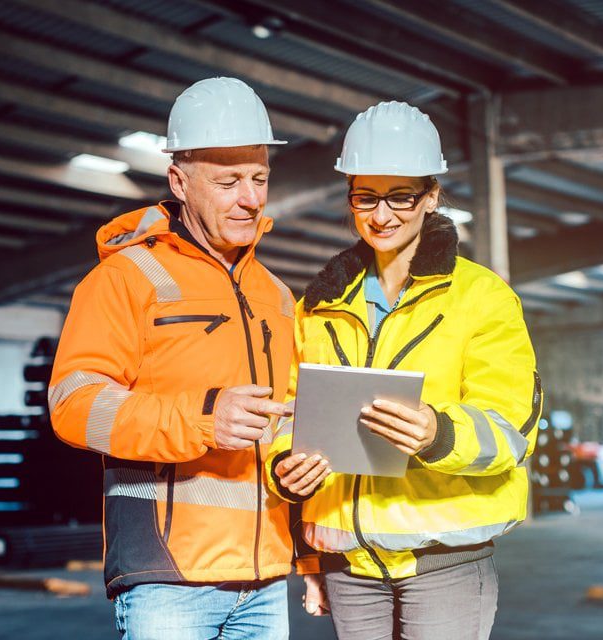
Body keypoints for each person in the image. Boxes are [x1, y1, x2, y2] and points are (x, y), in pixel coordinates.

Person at [266, 101, 542, 640]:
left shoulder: (481, 298)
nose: (382, 215)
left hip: (445, 561)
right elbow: (288, 414)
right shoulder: (318, 307)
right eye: (365, 197)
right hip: (348, 563)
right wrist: (285, 468)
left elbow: (512, 428)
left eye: (401, 196)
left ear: (431, 197)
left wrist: (440, 432)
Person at [48, 77, 301, 640]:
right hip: (167, 577)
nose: (251, 199)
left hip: (264, 579)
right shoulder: (124, 277)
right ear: (179, 181)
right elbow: (73, 403)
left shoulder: (277, 297)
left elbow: (285, 429)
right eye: (229, 181)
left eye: (259, 179)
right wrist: (202, 418)